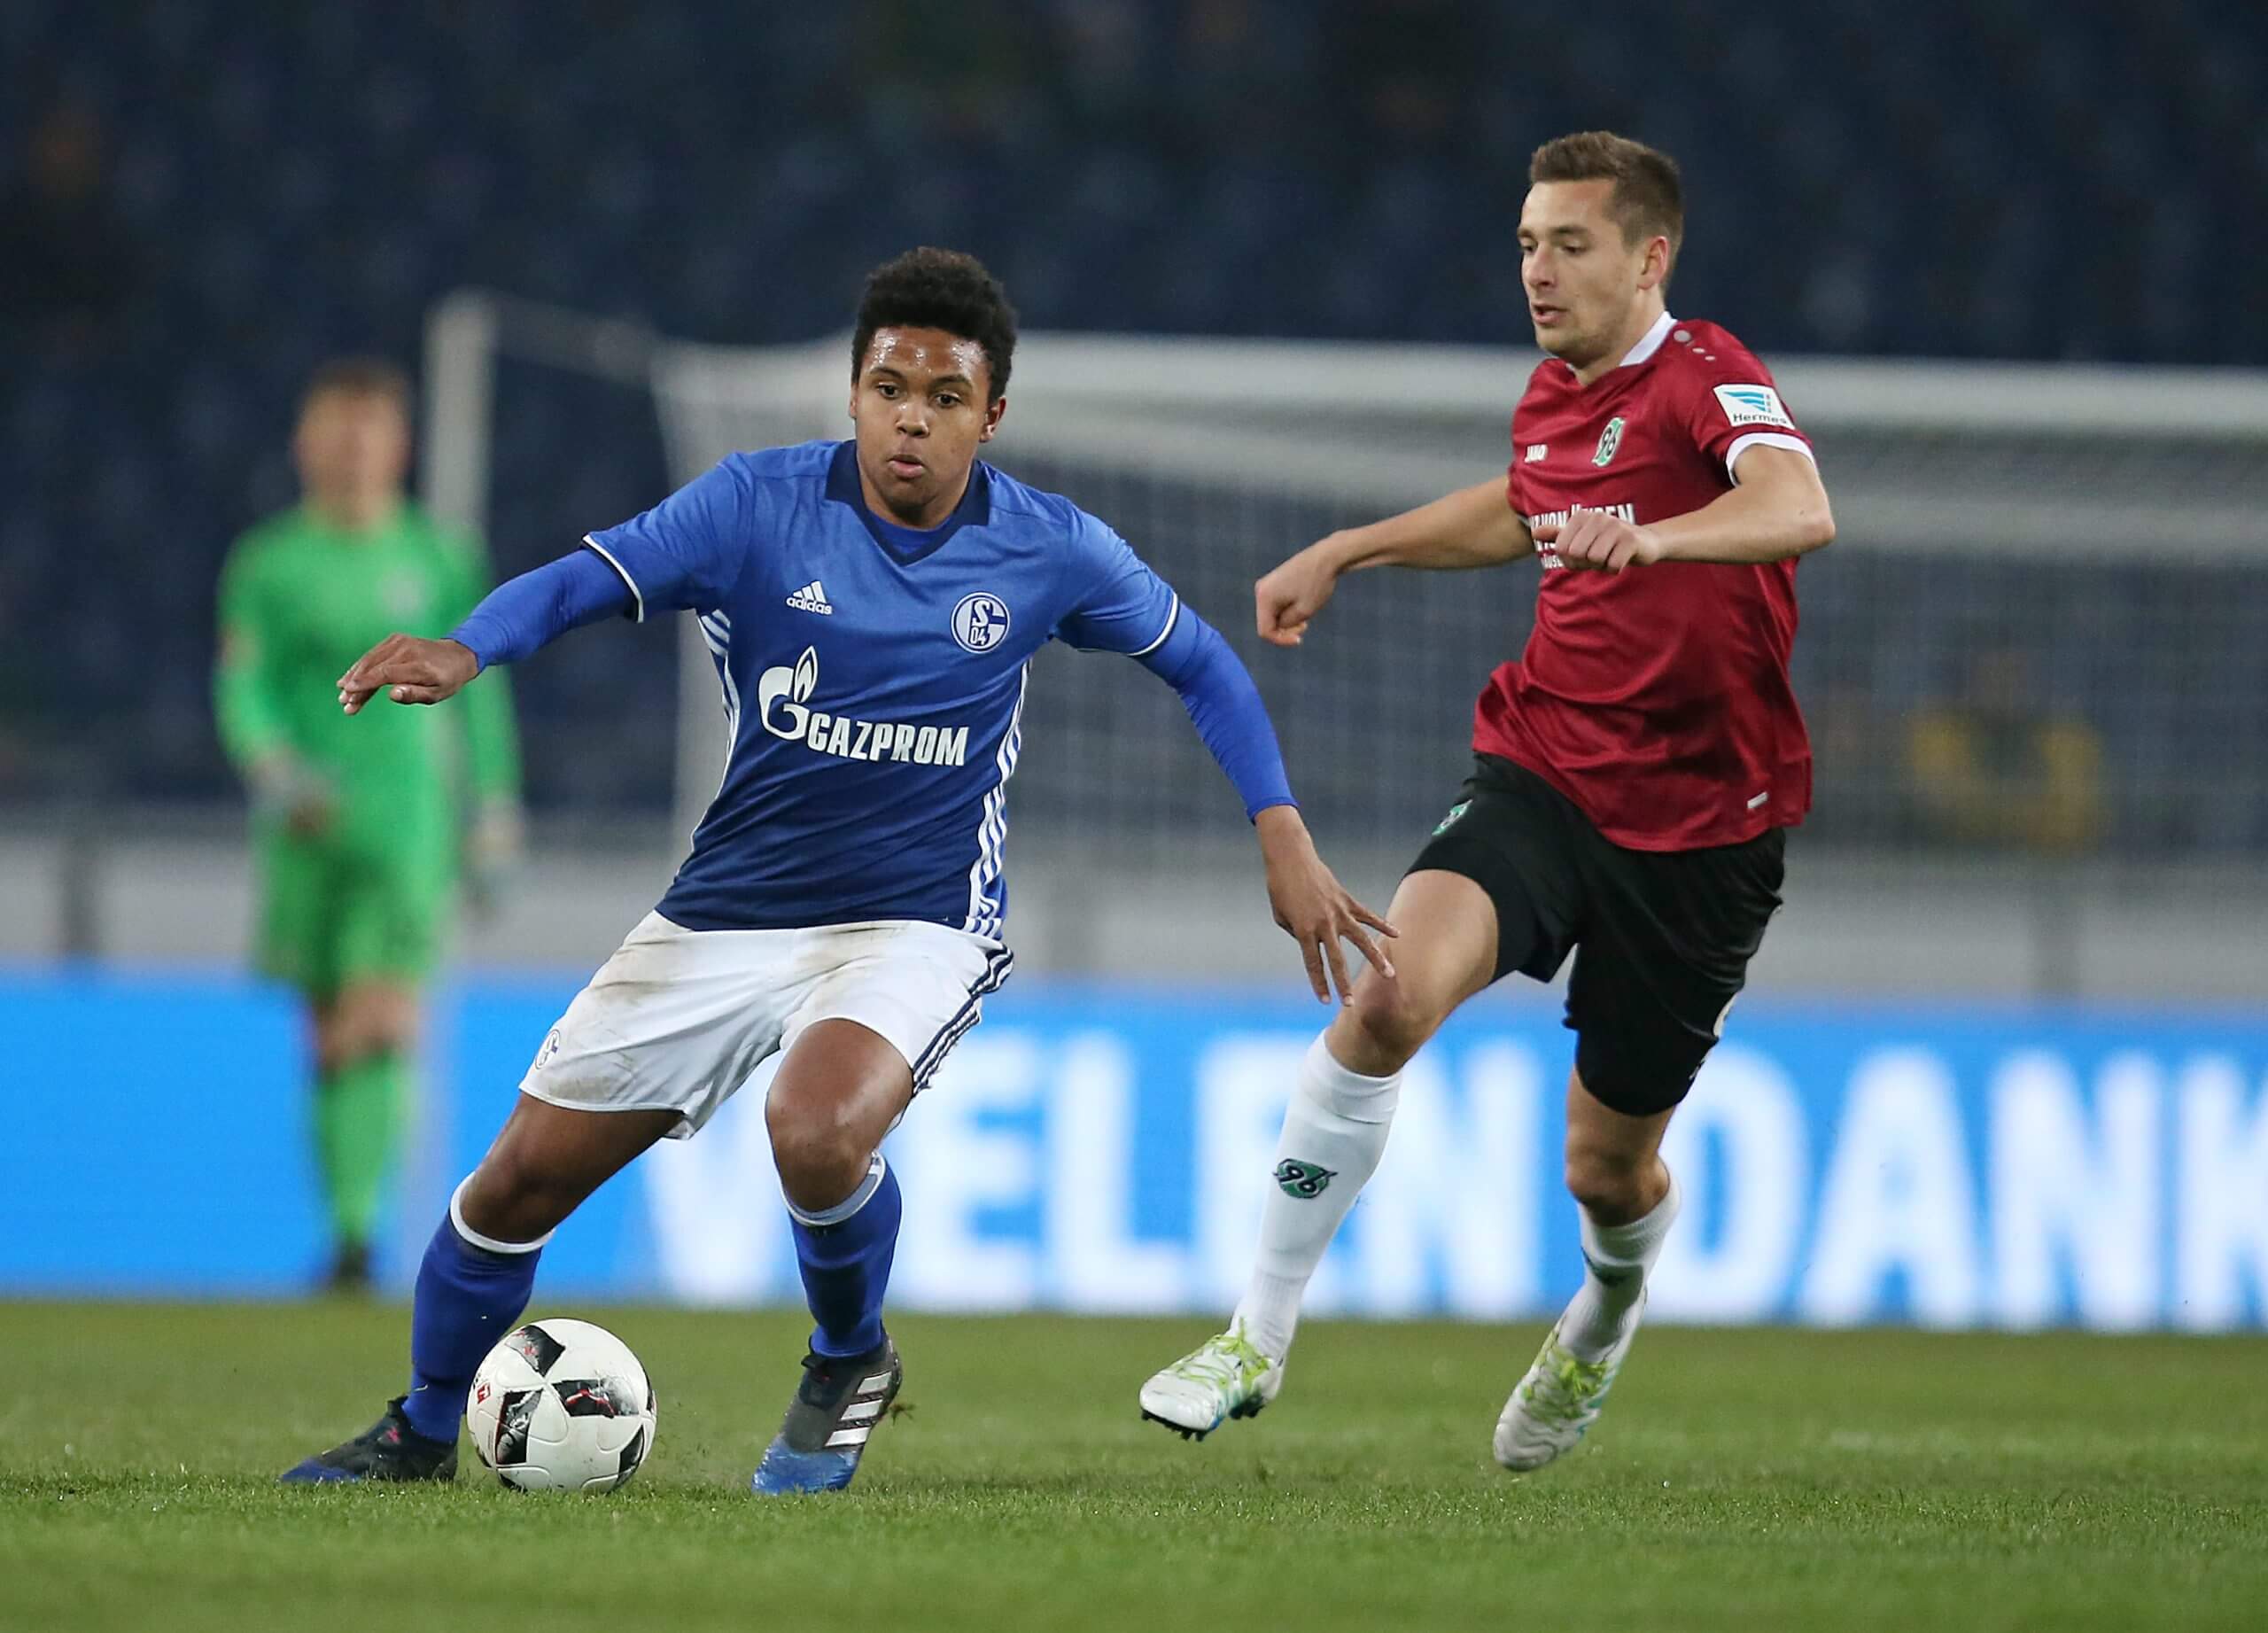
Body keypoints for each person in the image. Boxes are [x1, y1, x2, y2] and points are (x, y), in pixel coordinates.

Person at [279, 248, 1392, 1493]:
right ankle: (424, 1427)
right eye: (889, 387)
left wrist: (1281, 829)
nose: (911, 417)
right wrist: (470, 647)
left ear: (990, 414)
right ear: (855, 392)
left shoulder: (1049, 546)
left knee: (812, 1127)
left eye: (945, 396)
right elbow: (587, 579)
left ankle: (849, 1354)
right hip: (727, 910)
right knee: (513, 1184)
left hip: (913, 923)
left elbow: (1203, 663)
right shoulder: (753, 505)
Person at [1140, 131, 1836, 1470]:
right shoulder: (1552, 395)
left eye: (1569, 243)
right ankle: (1252, 1336)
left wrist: (1657, 535)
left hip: (1704, 831)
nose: (1537, 269)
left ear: (1650, 256)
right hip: (1544, 771)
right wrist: (1350, 548)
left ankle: (1607, 1309)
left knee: (1604, 1172)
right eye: (1526, 243)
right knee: (1387, 995)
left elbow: (1800, 504)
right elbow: (1522, 510)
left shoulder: (1706, 374)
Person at [215, 360, 523, 1292]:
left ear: (400, 445)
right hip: (309, 826)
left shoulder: (438, 556)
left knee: (383, 1015)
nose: (352, 450)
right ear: (304, 443)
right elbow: (243, 683)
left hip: (408, 825)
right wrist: (272, 767)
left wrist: (492, 805)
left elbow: (481, 693)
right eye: (336, 431)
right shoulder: (269, 562)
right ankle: (346, 1228)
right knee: (327, 1033)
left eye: (369, 431)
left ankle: (359, 1237)